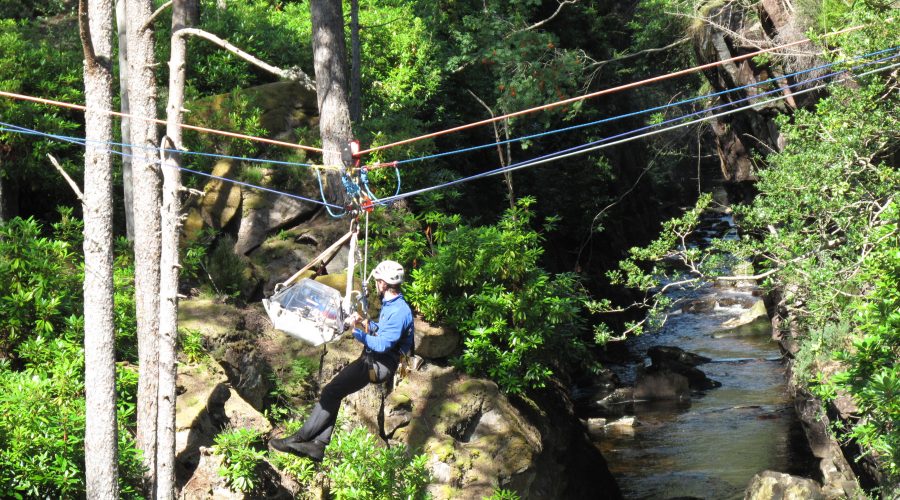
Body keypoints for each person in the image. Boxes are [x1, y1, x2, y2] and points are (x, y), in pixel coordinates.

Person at [269, 260, 414, 461]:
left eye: (377, 282)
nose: (376, 286)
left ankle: (299, 439)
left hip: (377, 365)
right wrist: (365, 323)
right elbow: (385, 332)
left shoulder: (398, 311)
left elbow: (382, 345)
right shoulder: (393, 305)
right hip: (375, 361)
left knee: (331, 391)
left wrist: (356, 332)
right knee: (334, 392)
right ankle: (318, 445)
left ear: (382, 283)